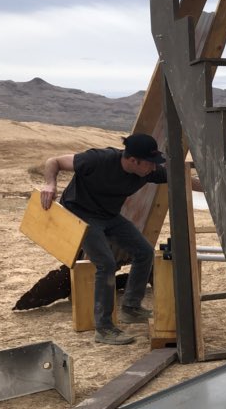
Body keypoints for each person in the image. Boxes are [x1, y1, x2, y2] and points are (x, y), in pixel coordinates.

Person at [40, 133, 167, 345]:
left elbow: (182, 179)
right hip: (79, 213)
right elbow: (53, 161)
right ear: (133, 160)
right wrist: (49, 185)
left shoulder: (147, 171)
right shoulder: (97, 159)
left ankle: (131, 308)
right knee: (106, 263)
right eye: (150, 163)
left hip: (108, 216)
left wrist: (211, 187)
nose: (154, 168)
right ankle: (104, 328)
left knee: (144, 252)